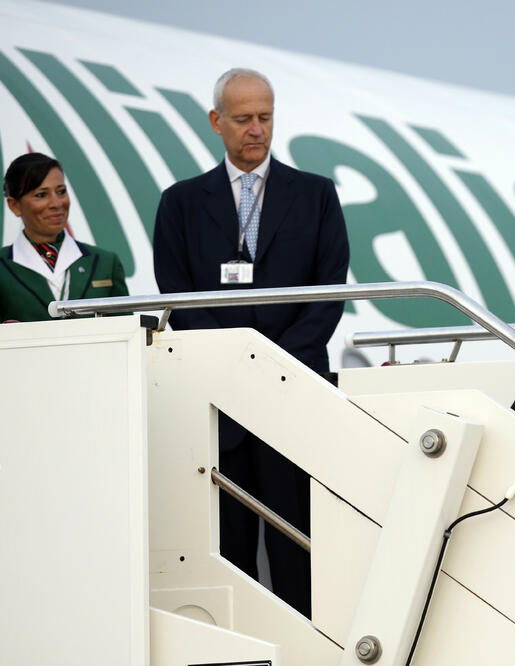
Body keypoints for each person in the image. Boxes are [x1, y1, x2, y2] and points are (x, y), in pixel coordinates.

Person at [152, 68, 349, 617]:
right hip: (217, 402)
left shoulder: (316, 195)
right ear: (217, 122)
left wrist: (273, 365)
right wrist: (235, 365)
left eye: (265, 117)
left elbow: (329, 292)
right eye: (242, 119)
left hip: (293, 392)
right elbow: (178, 295)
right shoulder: (181, 204)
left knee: (297, 548)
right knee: (226, 551)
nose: (256, 129)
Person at [0, 153, 128, 325]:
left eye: (61, 192)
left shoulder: (105, 263)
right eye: (41, 195)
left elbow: (128, 335)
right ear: (14, 205)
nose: (56, 203)